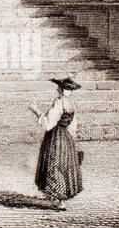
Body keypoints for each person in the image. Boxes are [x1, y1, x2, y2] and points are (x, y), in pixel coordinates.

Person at [30, 76, 83, 210]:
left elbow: (48, 124)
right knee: (64, 165)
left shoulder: (59, 103)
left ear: (59, 89)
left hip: (55, 138)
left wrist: (35, 111)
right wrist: (71, 140)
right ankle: (61, 198)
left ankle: (61, 200)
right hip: (66, 137)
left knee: (55, 165)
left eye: (60, 87)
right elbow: (73, 126)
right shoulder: (70, 104)